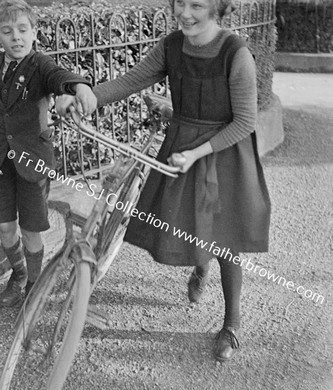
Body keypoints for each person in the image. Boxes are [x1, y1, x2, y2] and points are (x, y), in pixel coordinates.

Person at [58, 0, 271, 362]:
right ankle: (200, 263)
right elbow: (132, 80)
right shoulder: (172, 45)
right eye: (180, 3)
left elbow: (245, 122)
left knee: (225, 236)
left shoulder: (237, 56)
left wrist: (197, 153)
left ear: (218, 10)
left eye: (197, 6)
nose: (184, 13)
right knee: (193, 220)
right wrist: (90, 98)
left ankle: (231, 324)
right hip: (182, 145)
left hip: (223, 152)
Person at [0, 0, 97, 307]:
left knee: (30, 229)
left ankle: (33, 282)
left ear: (34, 33)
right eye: (6, 31)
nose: (15, 37)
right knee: (4, 227)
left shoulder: (39, 64)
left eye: (22, 30)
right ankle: (17, 274)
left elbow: (60, 75)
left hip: (32, 160)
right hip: (3, 161)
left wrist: (77, 87)